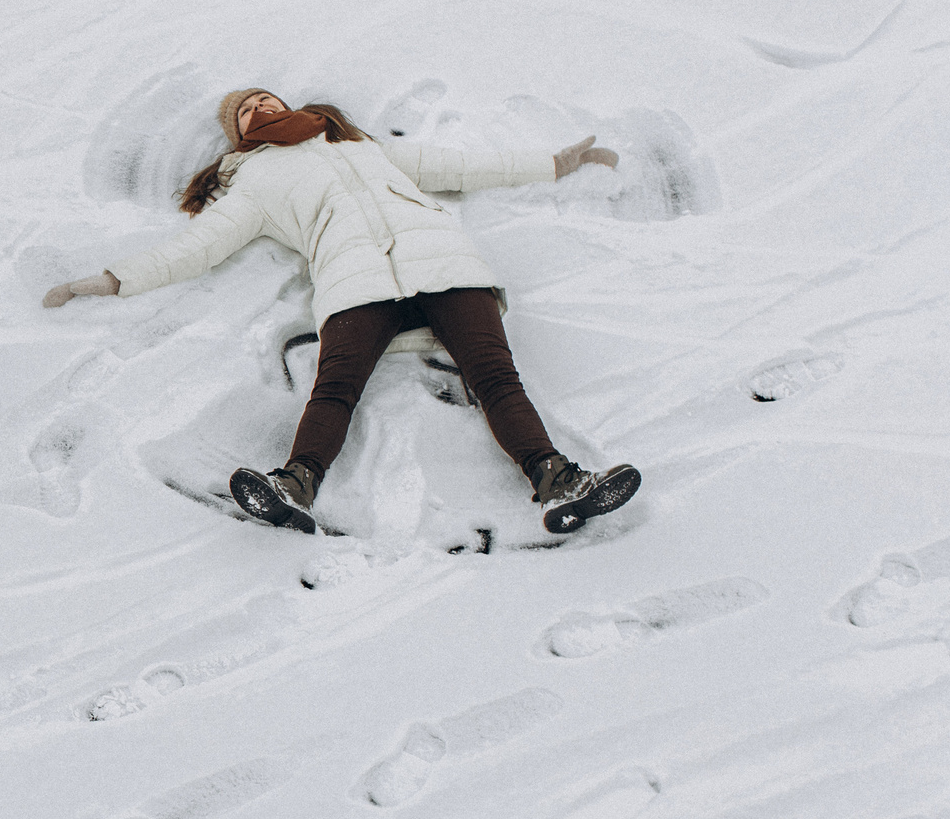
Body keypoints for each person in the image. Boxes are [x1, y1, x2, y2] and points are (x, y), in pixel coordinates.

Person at [43, 89, 639, 535]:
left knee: (496, 378)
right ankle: (295, 485)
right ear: (238, 134)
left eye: (264, 97)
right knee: (334, 389)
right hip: (355, 284)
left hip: (445, 265)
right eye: (246, 110)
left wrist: (556, 164)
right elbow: (197, 248)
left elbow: (460, 169)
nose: (258, 106)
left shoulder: (358, 144)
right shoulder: (250, 179)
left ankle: (559, 482)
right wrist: (112, 280)